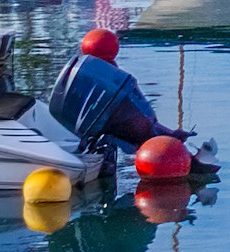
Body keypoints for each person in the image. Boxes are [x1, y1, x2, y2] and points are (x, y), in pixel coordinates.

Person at [47, 28, 176, 159]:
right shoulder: (110, 75)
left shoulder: (100, 75)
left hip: (112, 128)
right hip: (119, 129)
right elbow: (139, 116)